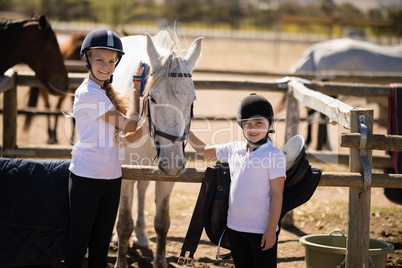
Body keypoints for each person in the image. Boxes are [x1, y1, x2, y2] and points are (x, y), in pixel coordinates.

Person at [65, 28, 147, 268]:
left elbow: (124, 137)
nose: (106, 65)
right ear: (87, 59)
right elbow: (129, 123)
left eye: (112, 61)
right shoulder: (89, 94)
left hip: (112, 178)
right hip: (87, 178)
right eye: (99, 59)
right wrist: (135, 90)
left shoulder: (104, 93)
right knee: (78, 246)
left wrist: (149, 124)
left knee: (100, 248)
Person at [189, 93, 286, 267]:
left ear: (270, 125)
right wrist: (185, 130)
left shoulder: (274, 155)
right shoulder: (234, 149)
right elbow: (203, 150)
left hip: (261, 230)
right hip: (235, 229)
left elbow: (277, 194)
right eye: (247, 124)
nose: (253, 128)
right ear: (241, 126)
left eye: (259, 123)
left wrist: (271, 230)